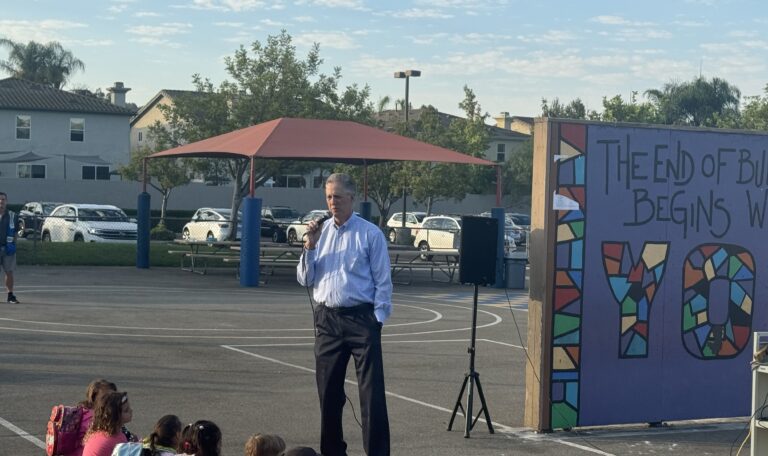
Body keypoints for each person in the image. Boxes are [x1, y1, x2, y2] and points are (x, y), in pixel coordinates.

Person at [296, 173, 392, 456]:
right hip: (327, 320)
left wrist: (378, 319)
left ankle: (377, 452)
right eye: (328, 197)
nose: (332, 202)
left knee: (371, 394)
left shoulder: (370, 234)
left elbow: (383, 281)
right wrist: (310, 246)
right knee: (328, 393)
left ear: (352, 198)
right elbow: (305, 279)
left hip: (362, 319)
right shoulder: (319, 233)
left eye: (337, 197)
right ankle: (333, 451)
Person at [82, 392, 134, 456]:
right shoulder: (117, 439)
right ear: (115, 416)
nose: (131, 410)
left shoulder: (98, 432)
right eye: (126, 410)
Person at [0, 192, 19, 303]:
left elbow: (16, 232)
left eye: (3, 199)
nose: (1, 201)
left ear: (6, 201)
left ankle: (10, 295)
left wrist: (14, 245)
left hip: (8, 249)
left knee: (9, 272)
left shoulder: (12, 215)